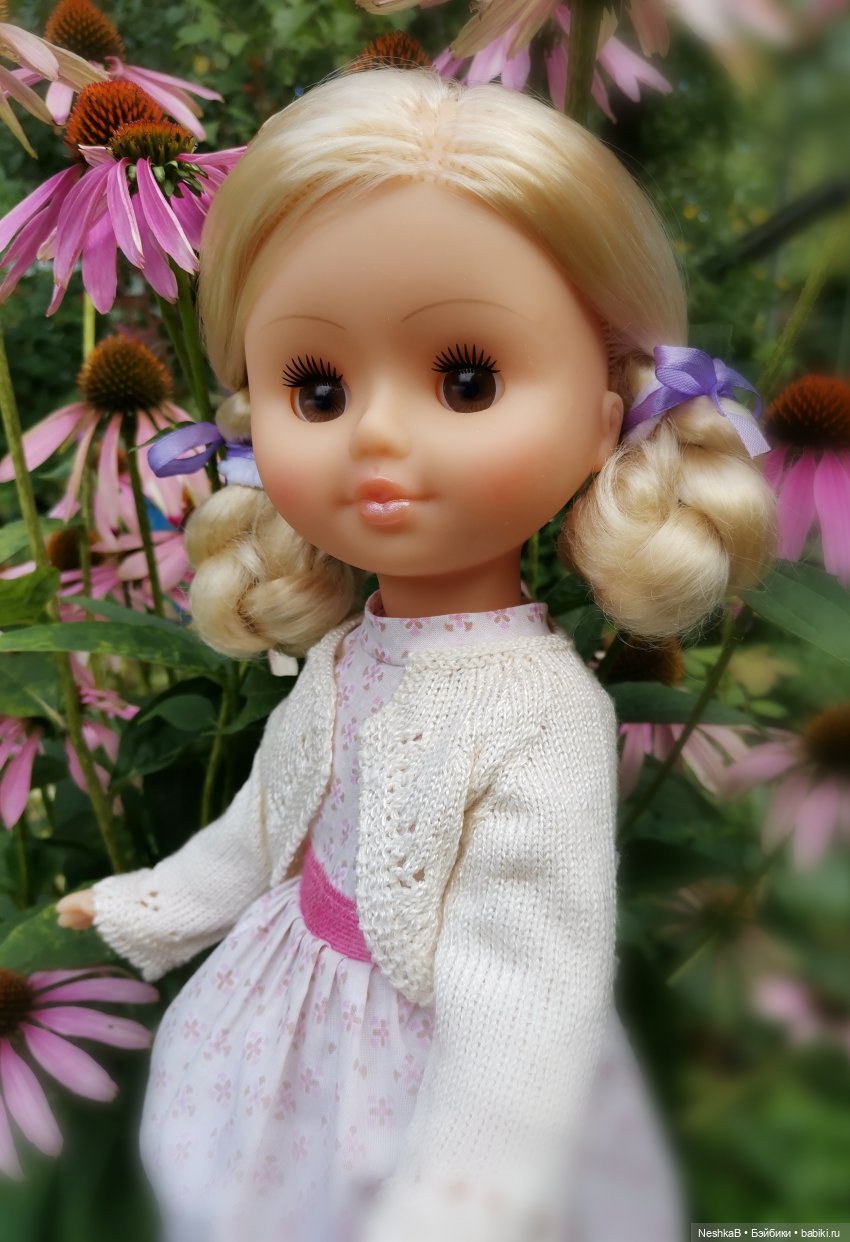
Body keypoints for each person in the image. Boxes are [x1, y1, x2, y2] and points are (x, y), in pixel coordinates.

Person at [56, 66, 776, 1242]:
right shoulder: (347, 654)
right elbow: (269, 819)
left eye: (465, 380)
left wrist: (465, 1194)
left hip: (431, 1074)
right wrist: (157, 903)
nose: (378, 435)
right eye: (317, 388)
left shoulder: (540, 712)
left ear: (603, 416)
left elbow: (528, 988)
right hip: (285, 1023)